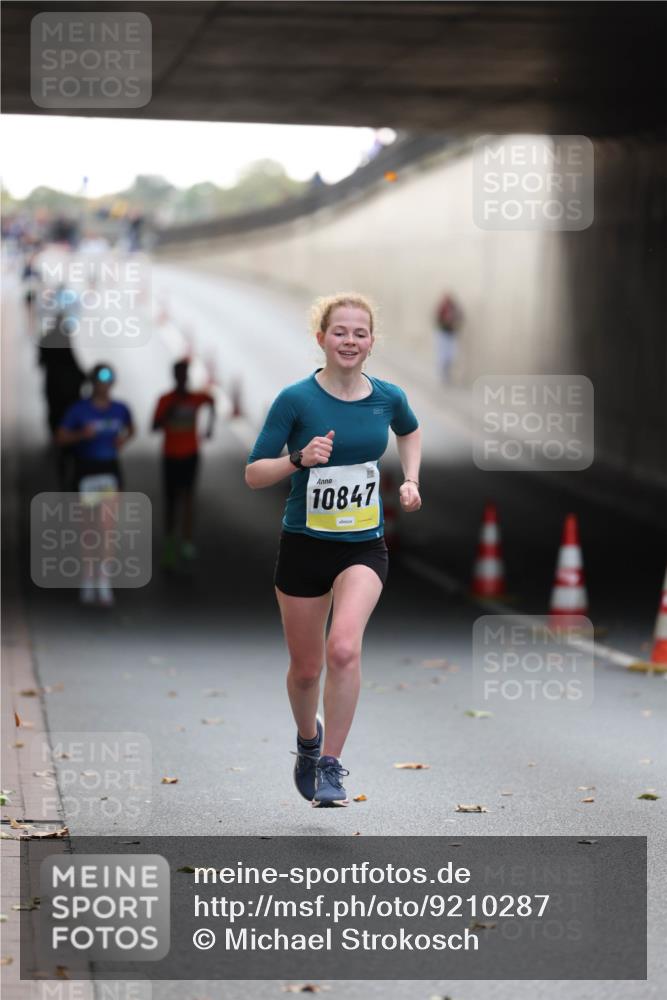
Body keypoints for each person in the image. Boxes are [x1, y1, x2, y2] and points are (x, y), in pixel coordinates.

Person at [245, 293, 422, 807]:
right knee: (305, 669)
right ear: (320, 337)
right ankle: (307, 742)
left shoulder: (388, 397)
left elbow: (410, 431)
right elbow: (254, 473)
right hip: (303, 545)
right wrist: (298, 459)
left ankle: (330, 767)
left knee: (344, 648)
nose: (350, 341)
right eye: (339, 331)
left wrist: (411, 480)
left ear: (371, 342)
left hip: (363, 546)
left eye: (359, 333)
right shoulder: (296, 400)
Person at [57, 364, 134, 606]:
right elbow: (60, 437)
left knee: (107, 527)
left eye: (109, 378)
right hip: (86, 470)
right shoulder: (79, 410)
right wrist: (82, 435)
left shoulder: (120, 409)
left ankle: (104, 579)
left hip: (109, 470)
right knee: (89, 529)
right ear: (93, 382)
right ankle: (88, 577)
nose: (104, 383)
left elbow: (131, 428)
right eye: (100, 378)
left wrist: (121, 441)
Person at [152, 359, 215, 569]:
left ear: (187, 376)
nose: (182, 377)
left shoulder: (196, 397)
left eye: (184, 374)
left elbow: (211, 400)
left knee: (188, 497)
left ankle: (186, 541)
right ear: (174, 376)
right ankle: (170, 543)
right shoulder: (166, 400)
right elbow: (153, 426)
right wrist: (168, 414)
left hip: (190, 454)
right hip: (170, 455)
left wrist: (209, 427)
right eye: (179, 374)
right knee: (171, 502)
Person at [434, 292, 463, 384]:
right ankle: (443, 375)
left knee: (451, 355)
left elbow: (461, 318)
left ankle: (448, 374)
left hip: (452, 334)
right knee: (442, 355)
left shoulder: (455, 309)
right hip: (443, 334)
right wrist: (445, 323)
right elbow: (437, 319)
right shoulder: (442, 308)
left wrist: (455, 324)